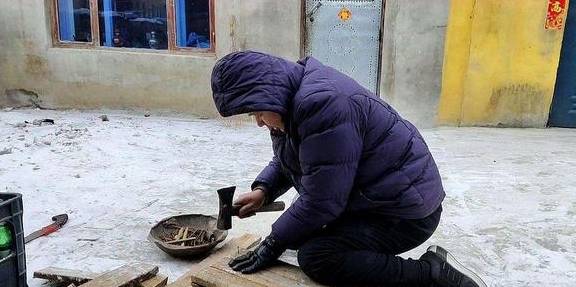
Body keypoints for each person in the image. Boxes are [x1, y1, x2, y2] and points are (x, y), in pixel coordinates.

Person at [211, 51, 486, 287]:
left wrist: (272, 243)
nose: (259, 122)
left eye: (257, 112)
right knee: (298, 233)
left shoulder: (323, 105)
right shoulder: (289, 101)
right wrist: (264, 190)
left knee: (317, 257)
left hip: (406, 212)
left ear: (267, 93)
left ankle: (431, 274)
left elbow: (321, 202)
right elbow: (300, 158)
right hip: (378, 195)